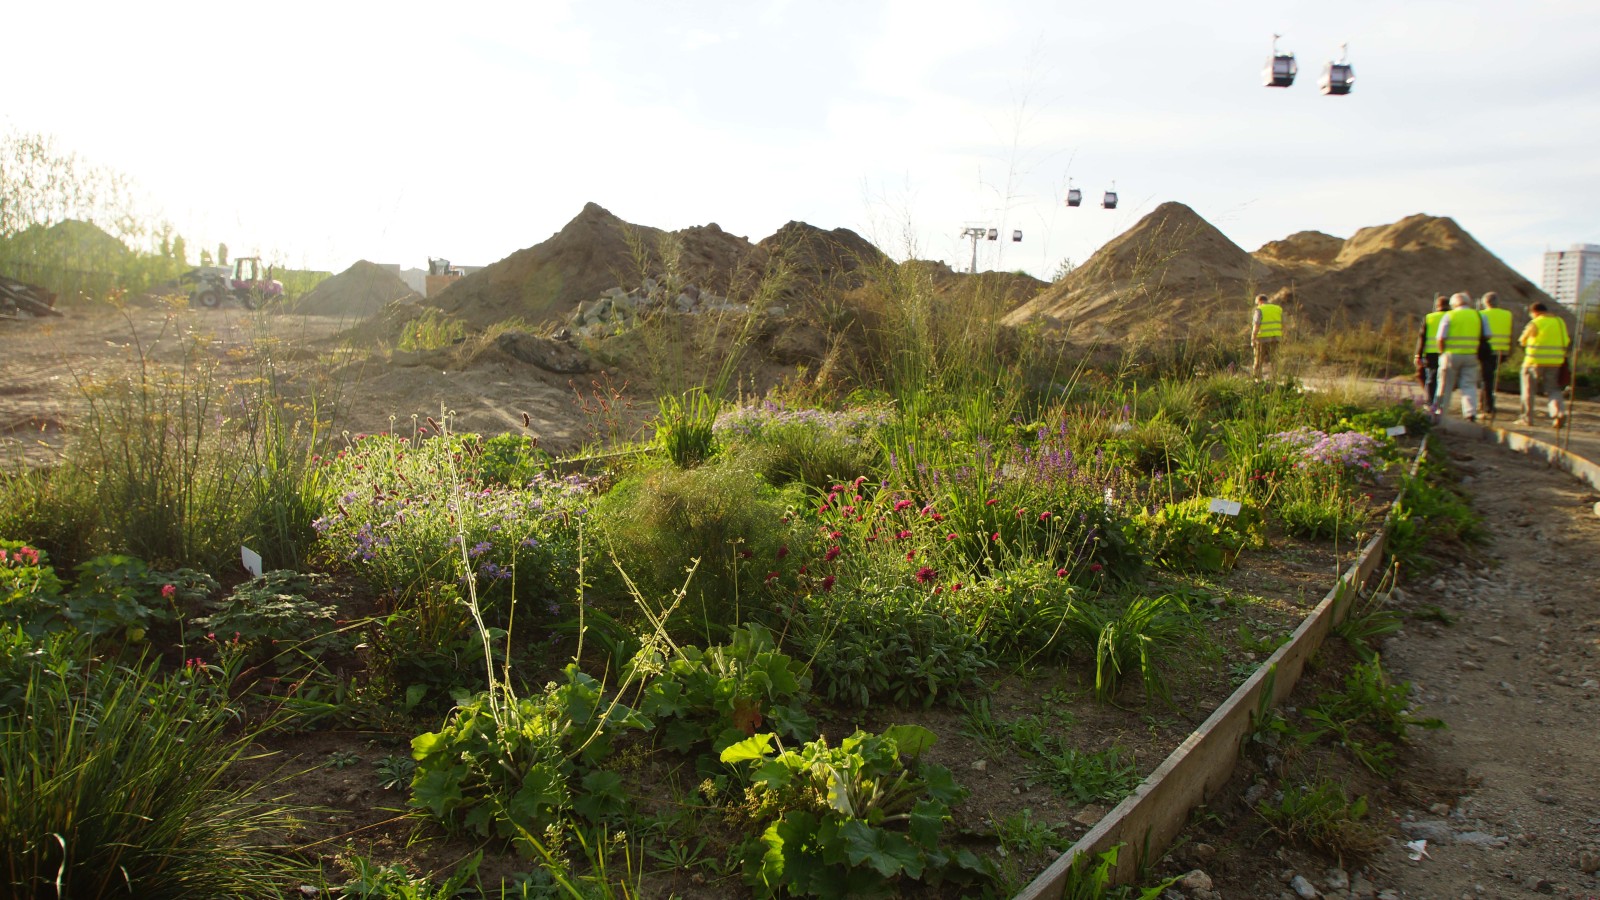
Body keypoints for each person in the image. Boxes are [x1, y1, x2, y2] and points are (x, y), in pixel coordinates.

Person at [1435, 292, 1488, 422]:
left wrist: (1442, 352)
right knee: (1469, 385)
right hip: (1471, 355)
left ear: (1453, 304)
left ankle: (1440, 412)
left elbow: (1441, 337)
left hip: (1451, 354)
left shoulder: (1450, 315)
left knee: (1445, 385)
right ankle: (1470, 413)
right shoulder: (1478, 315)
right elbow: (1487, 335)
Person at [1517, 302, 1570, 428]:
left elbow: (1522, 340)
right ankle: (1558, 412)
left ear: (1534, 312)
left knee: (1528, 391)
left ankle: (1527, 418)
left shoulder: (1535, 323)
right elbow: (1566, 341)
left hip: (1533, 362)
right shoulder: (1559, 322)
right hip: (1555, 362)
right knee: (1553, 389)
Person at [1478, 292, 1514, 421]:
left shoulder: (1482, 315)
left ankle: (1487, 406)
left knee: (1486, 379)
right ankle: (1487, 403)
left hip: (1487, 350)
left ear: (1485, 303)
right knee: (1491, 378)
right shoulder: (1507, 314)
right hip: (1502, 350)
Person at [1414, 294, 1450, 415]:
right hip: (1447, 352)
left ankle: (1430, 403)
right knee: (1445, 379)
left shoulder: (1429, 317)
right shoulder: (1452, 317)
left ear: (1437, 305)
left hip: (1431, 353)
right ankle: (1441, 404)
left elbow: (1422, 337)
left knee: (1431, 379)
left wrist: (1418, 355)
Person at [1250, 293, 1282, 379]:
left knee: (1258, 361)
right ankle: (1275, 379)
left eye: (1257, 303)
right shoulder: (1278, 309)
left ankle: (1257, 379)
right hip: (1276, 338)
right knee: (1275, 360)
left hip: (1262, 339)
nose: (1257, 305)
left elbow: (1256, 325)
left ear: (1260, 301)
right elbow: (1284, 324)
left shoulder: (1259, 310)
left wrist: (1253, 339)